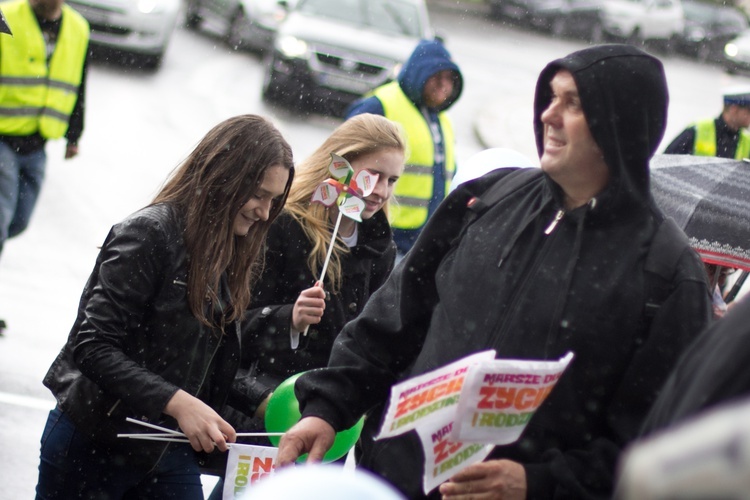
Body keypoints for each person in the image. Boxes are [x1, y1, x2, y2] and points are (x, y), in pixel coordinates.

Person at [275, 44, 713, 499]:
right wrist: (327, 407)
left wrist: (539, 484)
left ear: (621, 123)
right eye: (552, 97)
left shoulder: (667, 275)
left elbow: (662, 449)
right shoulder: (486, 199)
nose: (549, 115)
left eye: (574, 103)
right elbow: (392, 321)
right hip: (393, 481)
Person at [35, 114, 295, 499]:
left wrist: (265, 404)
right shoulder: (149, 232)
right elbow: (92, 347)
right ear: (222, 177)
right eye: (258, 194)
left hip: (167, 453)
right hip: (93, 444)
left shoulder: (231, 251)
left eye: (275, 200)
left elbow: (206, 364)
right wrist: (177, 403)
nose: (265, 212)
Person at [203, 113, 405, 499]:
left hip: (332, 415)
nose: (381, 190)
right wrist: (289, 320)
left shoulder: (382, 247)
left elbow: (373, 334)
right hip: (269, 407)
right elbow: (231, 321)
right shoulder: (284, 226)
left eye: (392, 180)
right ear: (341, 167)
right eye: (374, 174)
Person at [0, 0, 90, 334]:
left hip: (37, 144)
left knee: (18, 220)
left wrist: (74, 133)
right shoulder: (8, 16)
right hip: (2, 139)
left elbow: (79, 81)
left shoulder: (78, 28)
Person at [345, 39, 463, 258]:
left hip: (421, 242)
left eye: (450, 79)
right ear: (419, 74)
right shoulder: (379, 105)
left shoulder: (442, 120)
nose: (443, 85)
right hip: (381, 238)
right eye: (436, 76)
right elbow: (343, 162)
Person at [663, 85, 750, 158]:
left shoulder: (747, 141)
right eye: (749, 111)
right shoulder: (697, 129)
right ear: (733, 109)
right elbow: (667, 160)